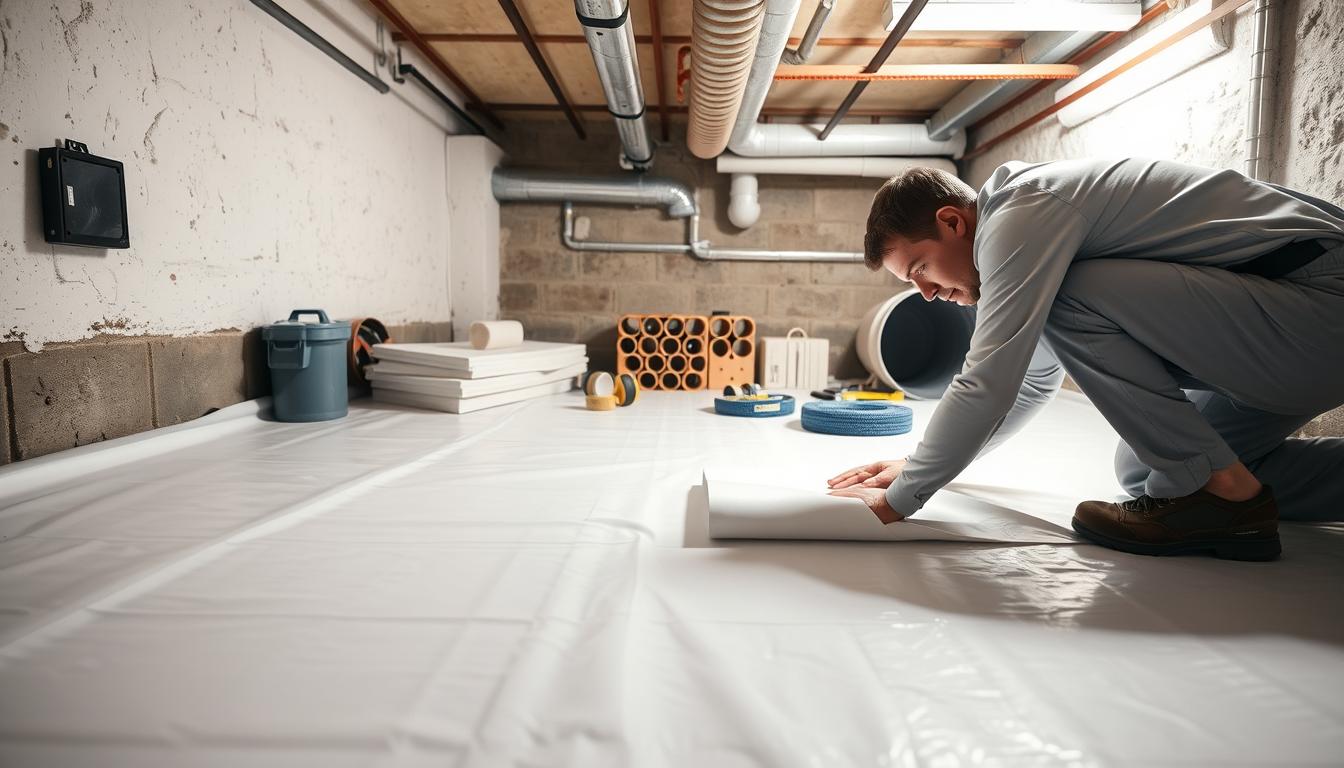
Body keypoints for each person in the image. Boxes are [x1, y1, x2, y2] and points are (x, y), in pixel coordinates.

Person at [826, 159, 1344, 561]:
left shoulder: (1019, 214)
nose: (928, 293)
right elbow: (1028, 385)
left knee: (1072, 295)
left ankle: (1227, 497)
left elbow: (987, 380)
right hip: (1286, 341)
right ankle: (1230, 489)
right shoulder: (1033, 223)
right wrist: (919, 466)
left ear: (952, 222)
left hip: (1320, 308)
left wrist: (902, 498)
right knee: (1146, 469)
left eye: (920, 268)